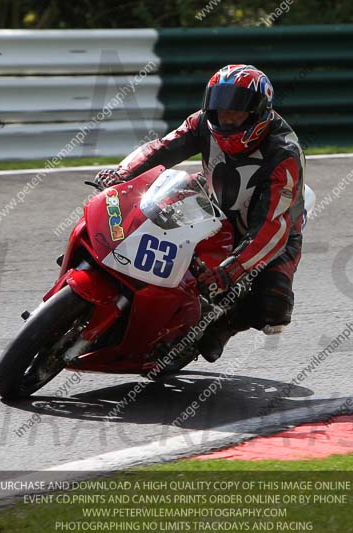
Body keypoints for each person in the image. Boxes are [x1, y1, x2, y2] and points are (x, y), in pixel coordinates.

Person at [94, 64, 306, 362]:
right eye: (220, 109)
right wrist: (121, 173)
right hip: (214, 200)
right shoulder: (203, 124)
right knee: (148, 208)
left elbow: (272, 227)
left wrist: (233, 270)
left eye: (236, 112)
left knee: (274, 307)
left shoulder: (283, 153)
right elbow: (161, 149)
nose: (225, 117)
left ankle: (224, 323)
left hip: (272, 229)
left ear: (258, 114)